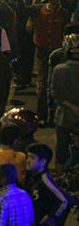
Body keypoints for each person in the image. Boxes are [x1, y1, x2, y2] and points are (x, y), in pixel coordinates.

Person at [24, 142, 71, 225]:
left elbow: (65, 201)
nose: (27, 161)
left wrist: (51, 217)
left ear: (43, 162)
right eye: (27, 157)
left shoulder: (45, 180)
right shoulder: (32, 177)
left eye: (32, 158)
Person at [52, 33, 79, 172]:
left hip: (64, 118)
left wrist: (71, 107)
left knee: (61, 154)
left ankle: (59, 183)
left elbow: (55, 95)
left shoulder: (58, 70)